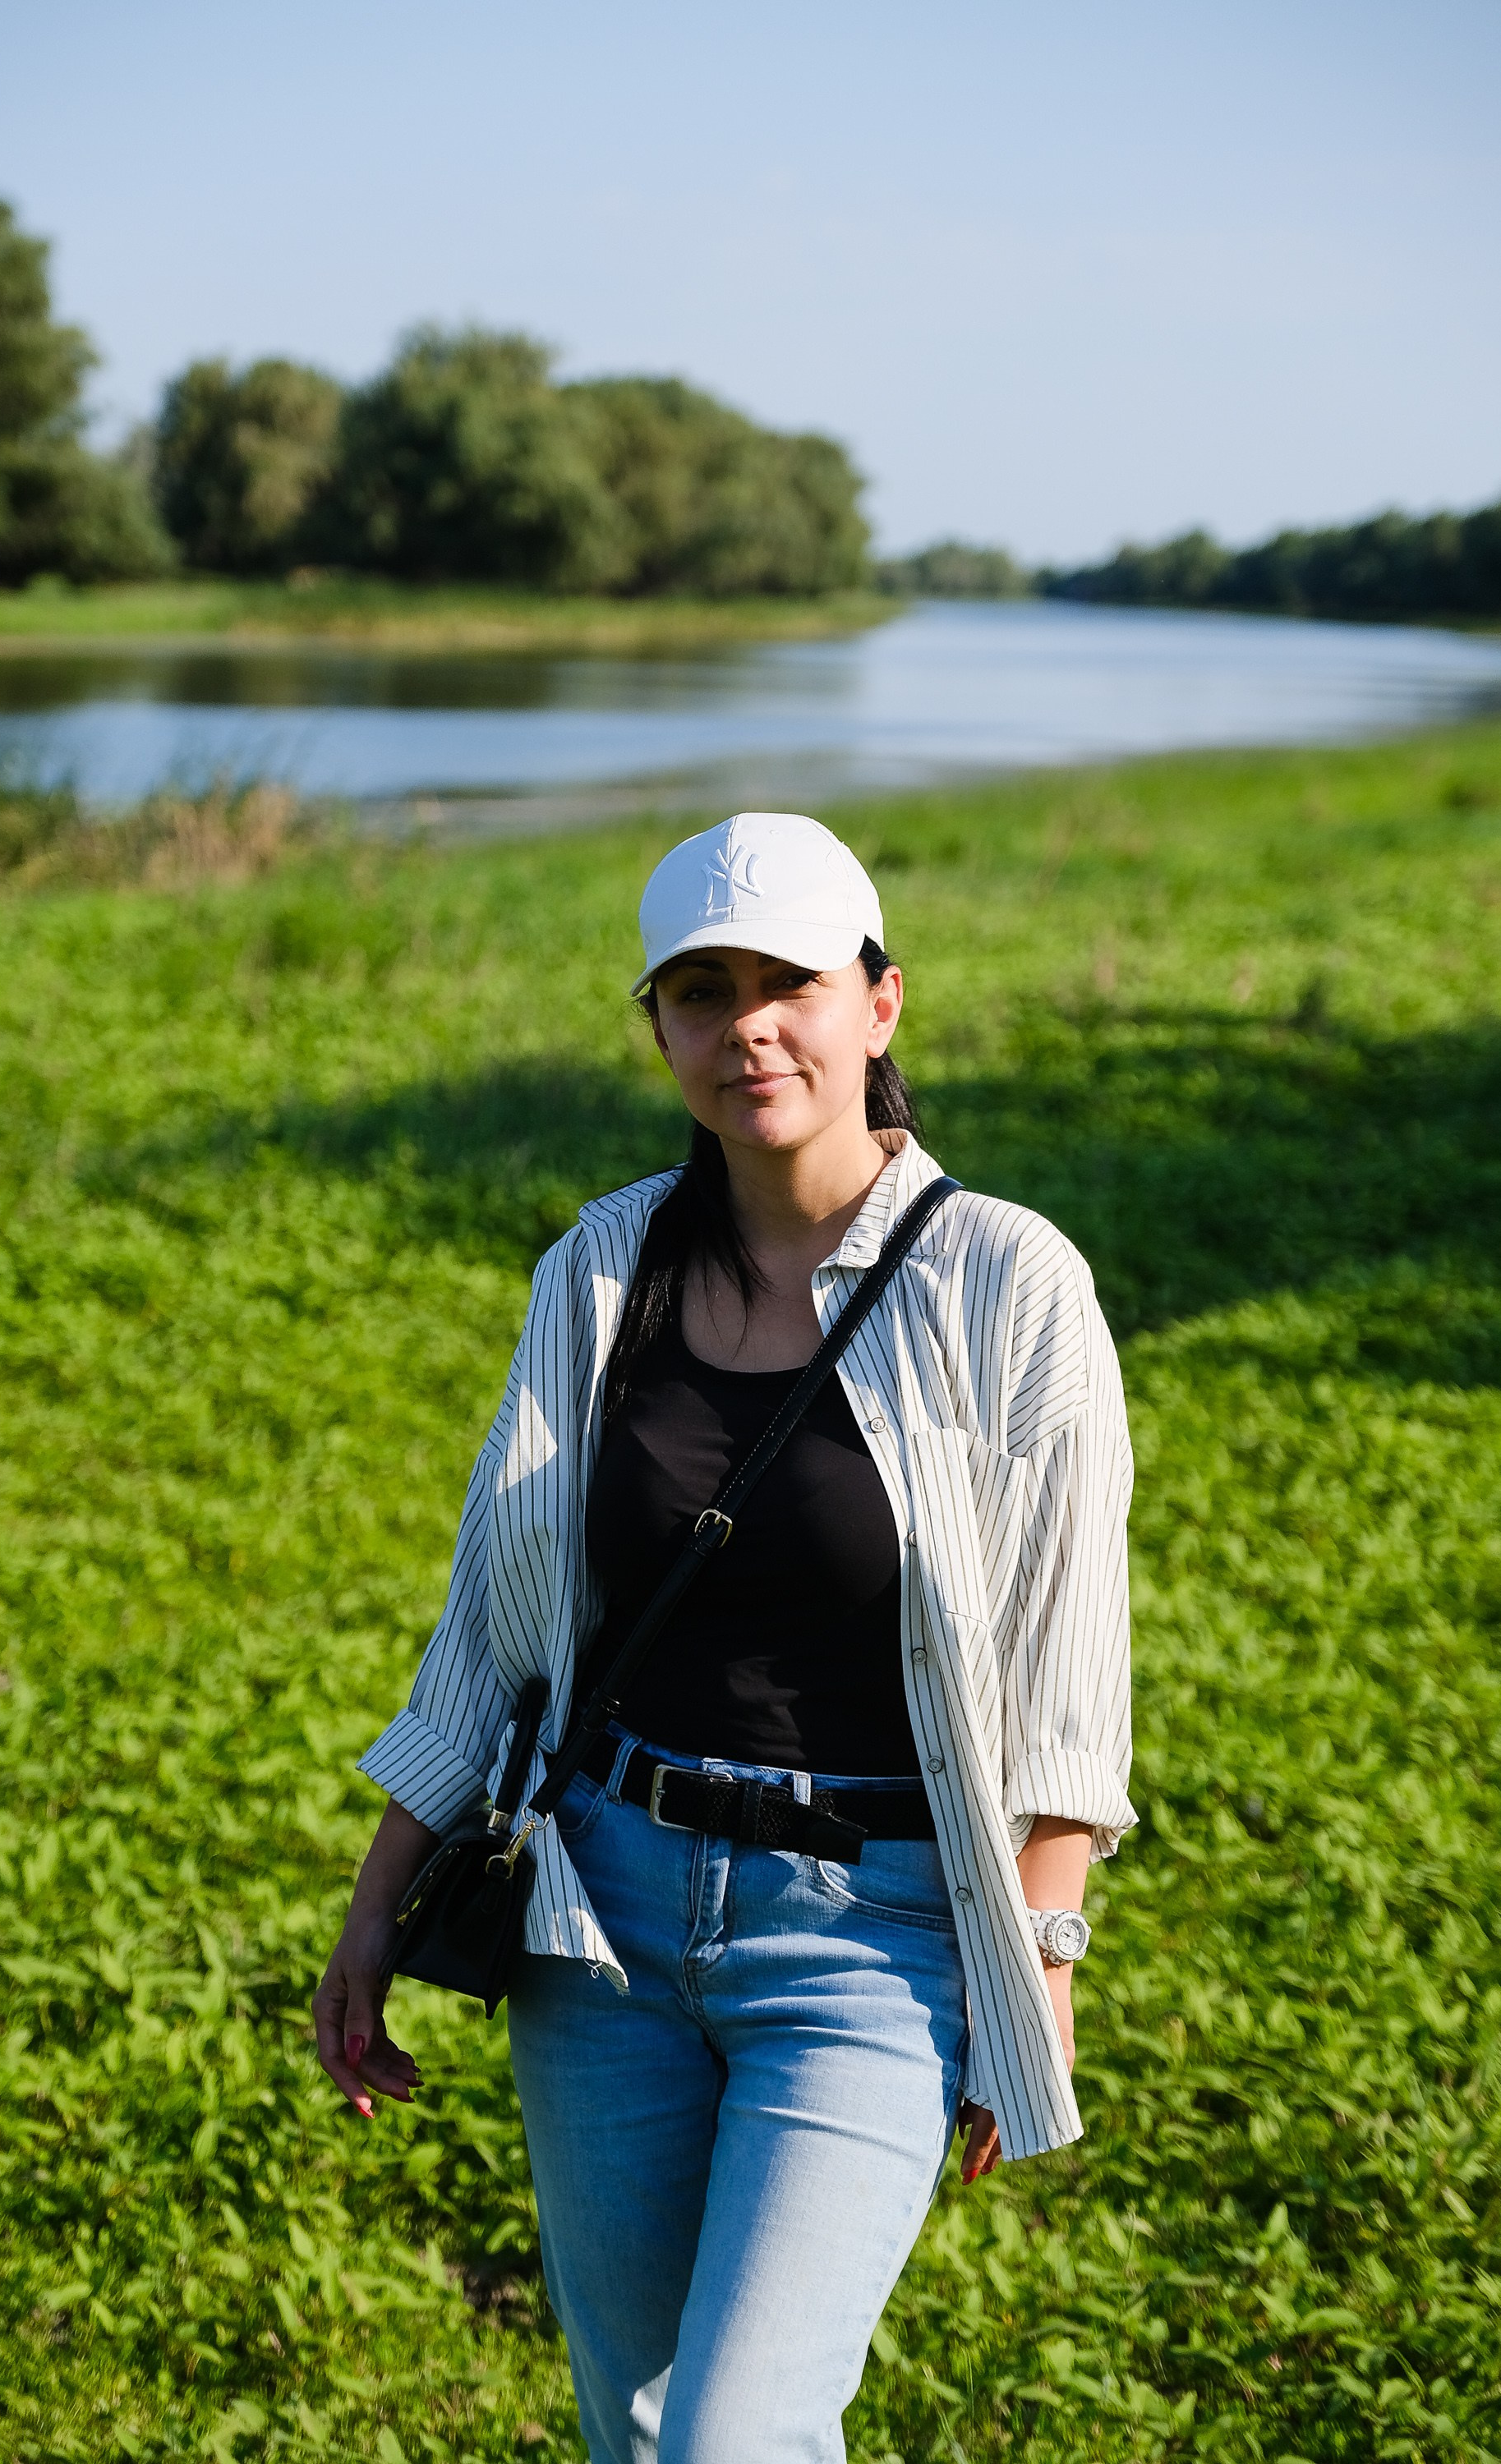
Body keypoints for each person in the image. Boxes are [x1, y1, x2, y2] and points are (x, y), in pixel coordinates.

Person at [314, 811, 1135, 2464]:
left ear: (880, 1005)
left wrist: (1034, 1970)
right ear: (660, 1029)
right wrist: (375, 1908)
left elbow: (1063, 1675)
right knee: (633, 2421)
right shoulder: (598, 1271)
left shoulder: (1005, 1284)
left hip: (871, 1937)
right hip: (597, 1918)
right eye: (702, 992)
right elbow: (497, 1616)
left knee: (735, 2437)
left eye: (791, 983)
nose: (749, 1026)